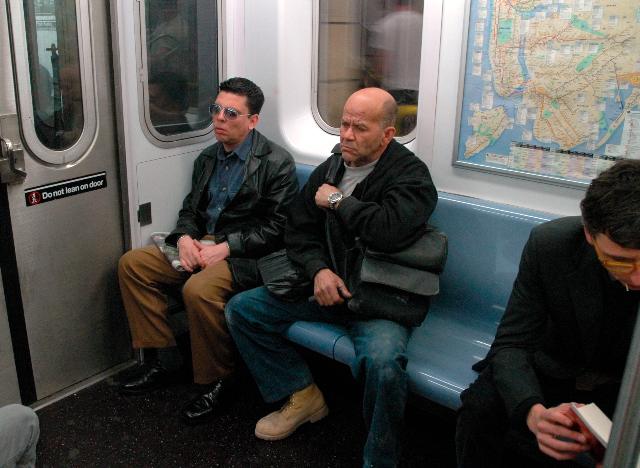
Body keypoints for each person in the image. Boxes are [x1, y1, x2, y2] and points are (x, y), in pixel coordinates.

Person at [225, 87, 438, 468]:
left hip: (377, 302)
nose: (347, 135)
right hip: (326, 291)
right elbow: (299, 230)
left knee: (384, 363)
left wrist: (339, 201)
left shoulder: (411, 177)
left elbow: (388, 230)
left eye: (360, 128)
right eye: (343, 124)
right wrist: (319, 270)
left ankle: (379, 459)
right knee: (243, 310)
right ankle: (301, 394)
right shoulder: (332, 166)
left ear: (388, 134)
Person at [117, 77, 299, 425]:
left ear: (253, 121)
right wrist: (184, 238)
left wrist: (227, 247)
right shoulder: (207, 159)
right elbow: (191, 212)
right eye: (215, 109)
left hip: (246, 256)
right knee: (133, 265)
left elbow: (278, 230)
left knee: (198, 290)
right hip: (202, 244)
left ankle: (218, 380)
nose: (219, 118)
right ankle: (163, 362)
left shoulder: (277, 163)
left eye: (231, 112)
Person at [455, 159, 640, 467]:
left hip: (623, 386)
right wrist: (534, 413)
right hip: (553, 365)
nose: (637, 279)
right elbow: (513, 342)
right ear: (589, 236)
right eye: (619, 262)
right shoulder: (552, 246)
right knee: (480, 409)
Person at [368, 0, 423, 106]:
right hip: (422, 89)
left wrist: (372, 80)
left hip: (396, 89)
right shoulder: (425, 23)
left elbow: (382, 64)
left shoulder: (386, 24)